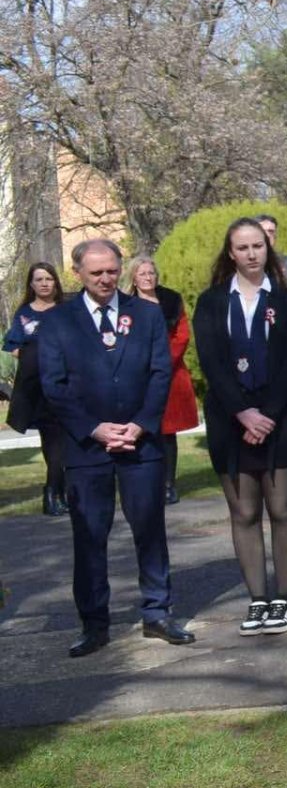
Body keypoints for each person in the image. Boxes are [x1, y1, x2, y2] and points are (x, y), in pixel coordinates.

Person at [39, 239, 193, 655]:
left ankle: (157, 612)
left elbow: (160, 372)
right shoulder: (58, 322)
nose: (106, 279)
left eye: (111, 270)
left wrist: (140, 425)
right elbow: (53, 385)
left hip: (140, 445)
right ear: (77, 274)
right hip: (87, 449)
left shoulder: (145, 314)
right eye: (96, 273)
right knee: (90, 535)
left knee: (150, 530)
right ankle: (94, 623)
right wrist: (95, 429)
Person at [193, 217, 287, 635]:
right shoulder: (211, 303)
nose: (251, 254)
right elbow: (211, 363)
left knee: (281, 508)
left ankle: (282, 597)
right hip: (231, 418)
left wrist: (268, 415)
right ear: (231, 253)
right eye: (242, 247)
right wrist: (243, 413)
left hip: (279, 416)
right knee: (244, 511)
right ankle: (258, 600)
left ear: (268, 248)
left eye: (258, 246)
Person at [127, 256, 199, 505]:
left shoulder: (170, 299)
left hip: (170, 372)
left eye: (151, 273)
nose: (148, 277)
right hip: (137, 374)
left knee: (168, 433)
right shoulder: (125, 304)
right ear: (133, 277)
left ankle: (169, 483)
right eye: (142, 273)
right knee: (142, 431)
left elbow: (182, 334)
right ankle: (146, 483)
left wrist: (163, 361)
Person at [6, 262, 68, 517]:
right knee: (52, 442)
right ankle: (53, 493)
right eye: (38, 279)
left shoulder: (67, 311)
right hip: (38, 389)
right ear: (31, 285)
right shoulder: (24, 313)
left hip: (67, 386)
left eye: (48, 278)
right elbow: (13, 345)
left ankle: (61, 491)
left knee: (68, 443)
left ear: (56, 282)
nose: (44, 283)